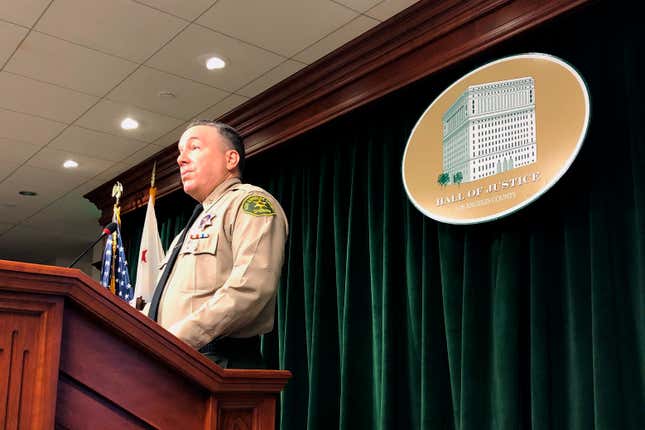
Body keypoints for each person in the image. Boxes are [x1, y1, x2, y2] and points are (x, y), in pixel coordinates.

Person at [145, 119, 288, 369]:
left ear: (230, 160)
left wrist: (173, 340)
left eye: (195, 148)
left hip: (218, 364)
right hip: (173, 361)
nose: (181, 159)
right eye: (180, 152)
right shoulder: (187, 230)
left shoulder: (250, 203)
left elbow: (250, 289)